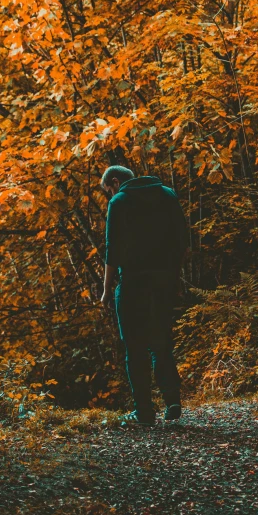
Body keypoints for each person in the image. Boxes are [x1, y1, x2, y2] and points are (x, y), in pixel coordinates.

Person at [100, 165, 188, 426]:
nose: (109, 195)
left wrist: (106, 289)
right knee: (161, 341)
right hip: (164, 280)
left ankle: (144, 412)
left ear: (115, 182)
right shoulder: (168, 194)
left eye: (107, 190)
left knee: (135, 347)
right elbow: (182, 239)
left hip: (133, 282)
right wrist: (173, 274)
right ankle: (172, 400)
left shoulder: (119, 202)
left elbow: (112, 250)